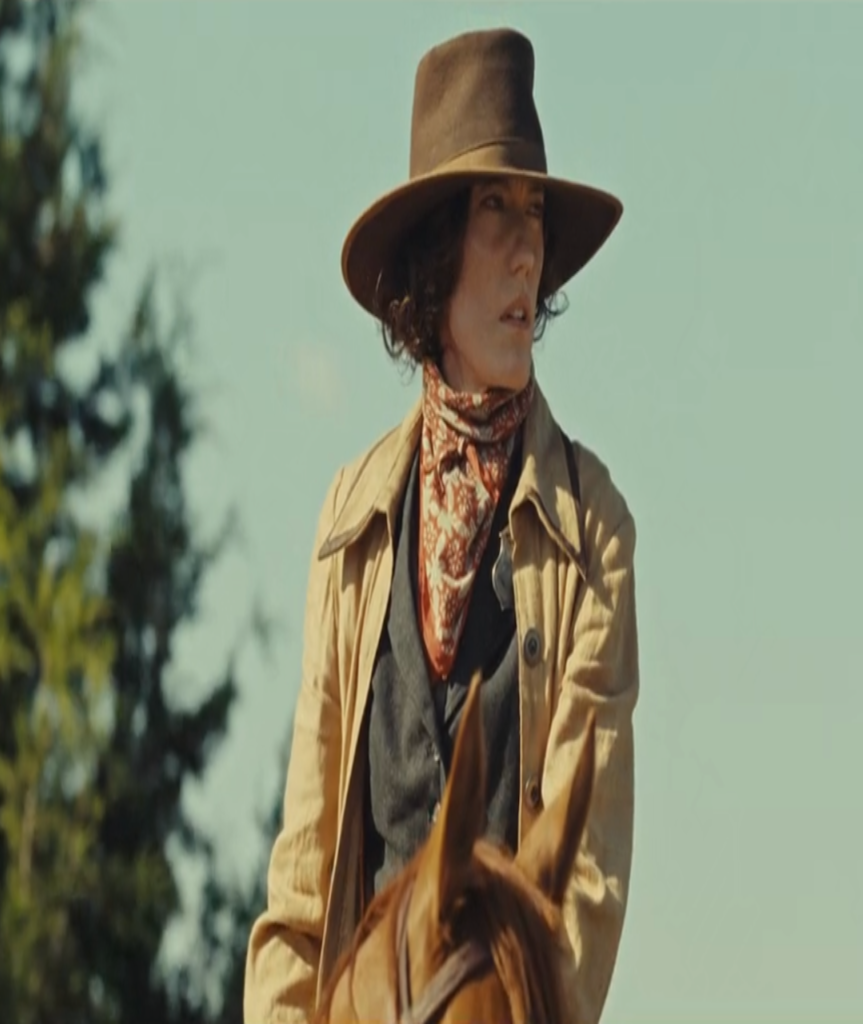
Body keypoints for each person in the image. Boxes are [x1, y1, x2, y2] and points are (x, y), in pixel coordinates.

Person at [243, 26, 639, 1024]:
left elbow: (587, 876)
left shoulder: (592, 529)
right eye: (493, 209)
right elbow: (303, 878)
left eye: (534, 213)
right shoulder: (353, 519)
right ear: (434, 253)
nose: (526, 250)